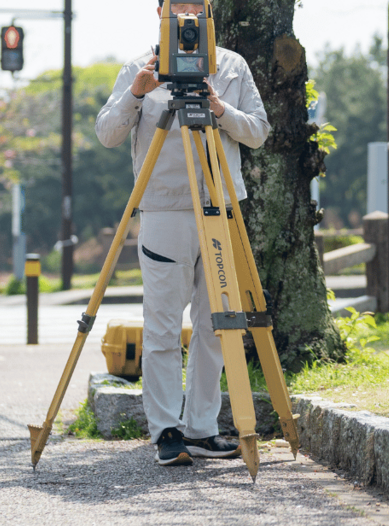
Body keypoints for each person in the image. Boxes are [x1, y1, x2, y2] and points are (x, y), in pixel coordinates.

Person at [95, 1, 270, 466]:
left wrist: (220, 108)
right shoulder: (139, 66)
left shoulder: (232, 65)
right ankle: (166, 430)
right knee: (163, 327)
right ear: (160, 10)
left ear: (210, 9)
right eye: (179, 4)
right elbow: (108, 133)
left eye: (198, 3)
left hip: (220, 207)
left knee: (218, 326)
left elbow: (258, 131)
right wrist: (137, 92)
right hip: (165, 208)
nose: (189, 12)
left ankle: (202, 429)